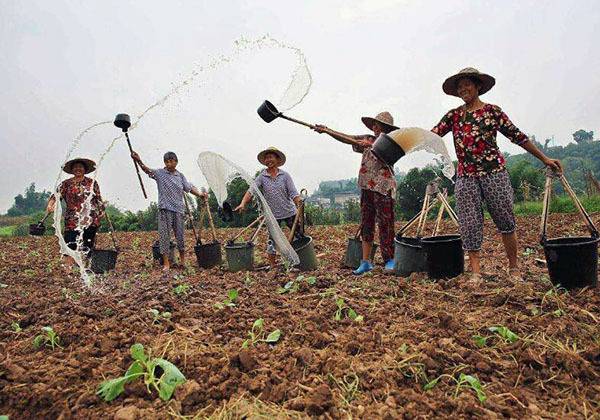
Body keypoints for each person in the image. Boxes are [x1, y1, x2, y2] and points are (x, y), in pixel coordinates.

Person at [431, 67, 562, 281]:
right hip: (466, 176)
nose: (463, 89)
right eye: (460, 87)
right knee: (469, 223)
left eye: (467, 85)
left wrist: (544, 158)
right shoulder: (454, 116)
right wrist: (407, 139)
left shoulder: (492, 111)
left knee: (505, 220)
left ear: (478, 86)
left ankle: (514, 268)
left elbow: (517, 136)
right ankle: (475, 272)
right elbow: (433, 135)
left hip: (494, 173)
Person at [313, 112, 398, 274]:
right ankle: (366, 262)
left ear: (386, 128)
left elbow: (389, 156)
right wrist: (327, 130)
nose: (375, 127)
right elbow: (346, 137)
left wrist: (371, 145)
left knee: (386, 224)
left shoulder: (392, 143)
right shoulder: (367, 138)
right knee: (367, 222)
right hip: (366, 185)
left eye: (378, 125)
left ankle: (390, 260)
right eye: (374, 125)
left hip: (383, 187)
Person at [131, 151, 207, 271]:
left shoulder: (180, 176)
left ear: (176, 162)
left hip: (178, 210)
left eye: (171, 161)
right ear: (164, 163)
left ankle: (182, 261)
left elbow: (189, 188)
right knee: (164, 236)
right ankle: (166, 264)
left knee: (180, 236)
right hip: (165, 209)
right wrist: (139, 160)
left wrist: (200, 195)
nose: (169, 163)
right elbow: (147, 170)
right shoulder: (160, 173)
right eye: (167, 161)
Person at [234, 147, 303, 269]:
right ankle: (272, 265)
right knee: (272, 241)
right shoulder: (262, 177)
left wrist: (299, 202)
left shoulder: (285, 176)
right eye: (266, 158)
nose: (268, 160)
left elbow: (293, 193)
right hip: (272, 216)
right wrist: (243, 203)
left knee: (299, 236)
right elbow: (251, 191)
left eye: (271, 157)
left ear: (277, 159)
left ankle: (302, 261)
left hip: (289, 212)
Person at [47, 158, 105, 265]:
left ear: (85, 169)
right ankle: (68, 271)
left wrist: (102, 211)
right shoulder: (66, 184)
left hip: (89, 220)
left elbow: (98, 199)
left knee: (87, 246)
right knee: (70, 245)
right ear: (72, 170)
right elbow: (55, 196)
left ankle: (86, 268)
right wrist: (50, 205)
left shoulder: (92, 183)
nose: (78, 169)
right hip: (72, 221)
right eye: (76, 167)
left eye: (80, 167)